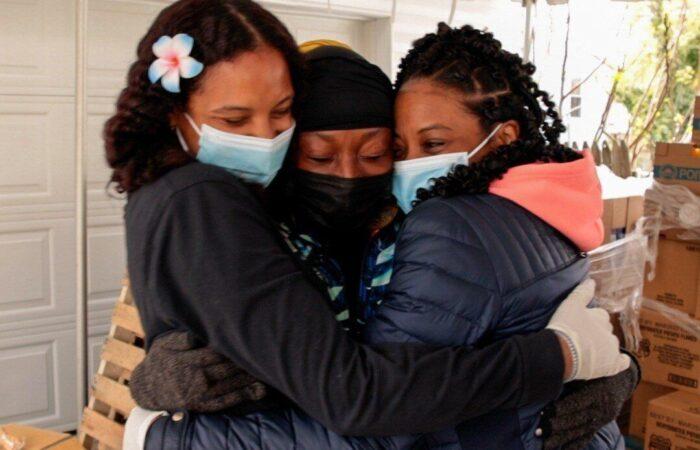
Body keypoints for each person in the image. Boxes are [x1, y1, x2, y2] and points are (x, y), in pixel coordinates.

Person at [127, 40, 637, 449]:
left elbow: (552, 300)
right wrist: (155, 382)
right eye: (321, 158)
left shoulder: (424, 216)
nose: (348, 176)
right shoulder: (249, 239)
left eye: (375, 154)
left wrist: (615, 372)